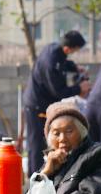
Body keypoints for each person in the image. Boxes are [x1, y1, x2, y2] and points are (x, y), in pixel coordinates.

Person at [23, 30, 90, 175]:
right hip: (37, 105)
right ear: (68, 48)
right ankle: (35, 178)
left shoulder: (55, 49)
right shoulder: (51, 62)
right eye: (75, 50)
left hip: (43, 104)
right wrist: (79, 88)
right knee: (37, 143)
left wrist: (74, 68)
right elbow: (59, 92)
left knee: (46, 141)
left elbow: (64, 62)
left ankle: (47, 172)